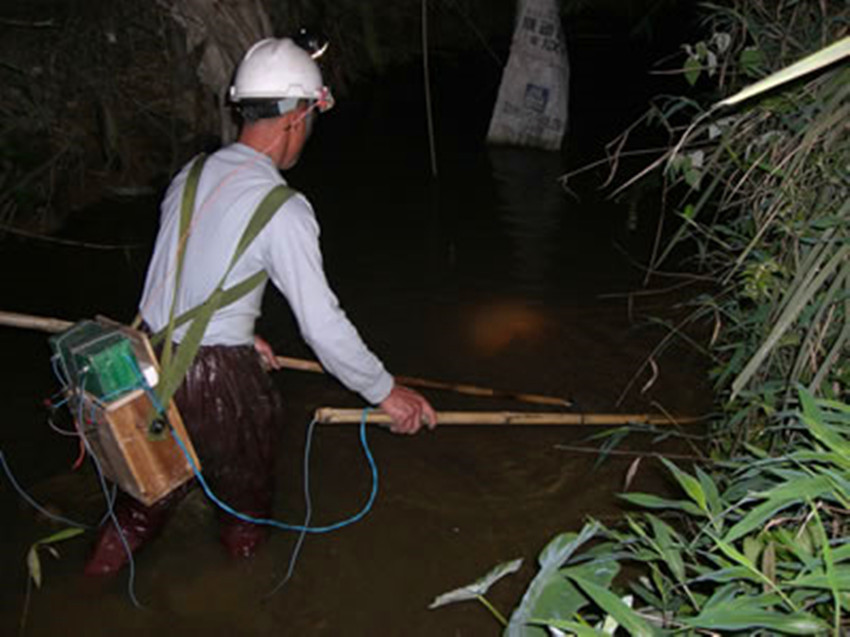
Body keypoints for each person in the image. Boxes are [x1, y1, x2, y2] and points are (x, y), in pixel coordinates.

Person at [84, 37, 437, 575]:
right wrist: (386, 392)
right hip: (215, 382)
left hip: (146, 361)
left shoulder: (191, 174)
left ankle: (87, 592)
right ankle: (251, 596)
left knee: (144, 501)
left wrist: (240, 331)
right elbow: (321, 325)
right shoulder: (284, 208)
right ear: (296, 118)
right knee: (246, 510)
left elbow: (174, 285)